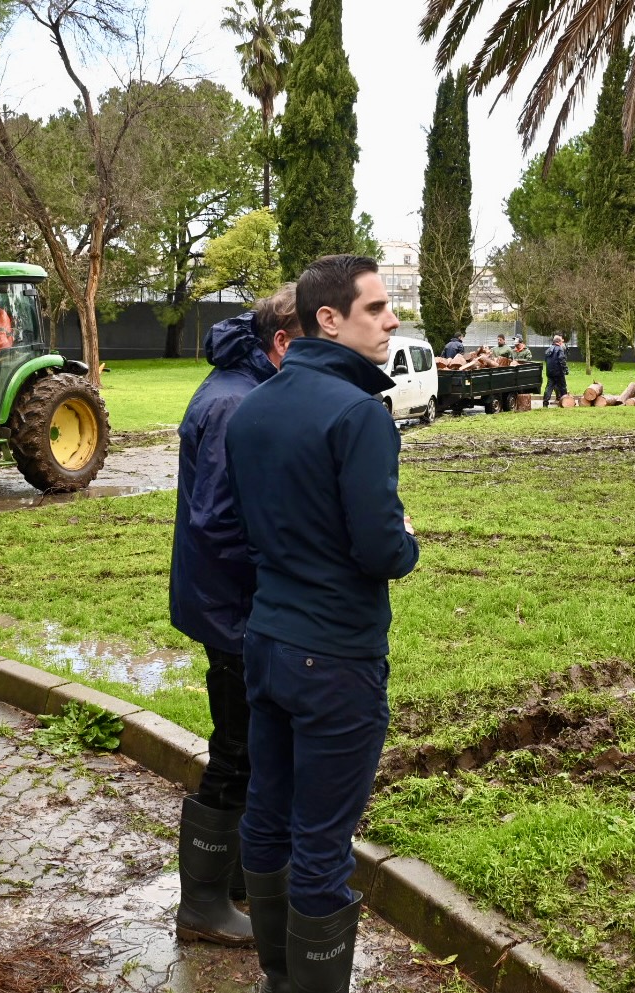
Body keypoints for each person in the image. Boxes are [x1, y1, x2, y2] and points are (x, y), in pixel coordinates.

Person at [226, 255, 419, 993]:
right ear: (328, 320)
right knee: (320, 843)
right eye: (376, 308)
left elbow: (251, 527)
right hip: (336, 656)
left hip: (268, 645)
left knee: (268, 815)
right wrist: (407, 539)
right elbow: (380, 548)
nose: (391, 319)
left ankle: (279, 977)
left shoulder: (255, 407)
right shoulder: (357, 415)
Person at [169, 287, 302, 949]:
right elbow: (221, 521)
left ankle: (241, 881)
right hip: (232, 611)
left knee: (251, 747)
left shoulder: (240, 386)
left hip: (227, 604)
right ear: (282, 342)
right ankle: (202, 905)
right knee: (237, 751)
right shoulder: (236, 402)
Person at [542, 334, 569, 407]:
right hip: (558, 372)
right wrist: (565, 369)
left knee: (549, 387)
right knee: (563, 387)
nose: (561, 343)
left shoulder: (548, 349)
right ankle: (566, 402)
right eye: (561, 341)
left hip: (550, 372)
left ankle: (545, 402)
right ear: (559, 342)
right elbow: (562, 360)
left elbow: (546, 360)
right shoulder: (559, 349)